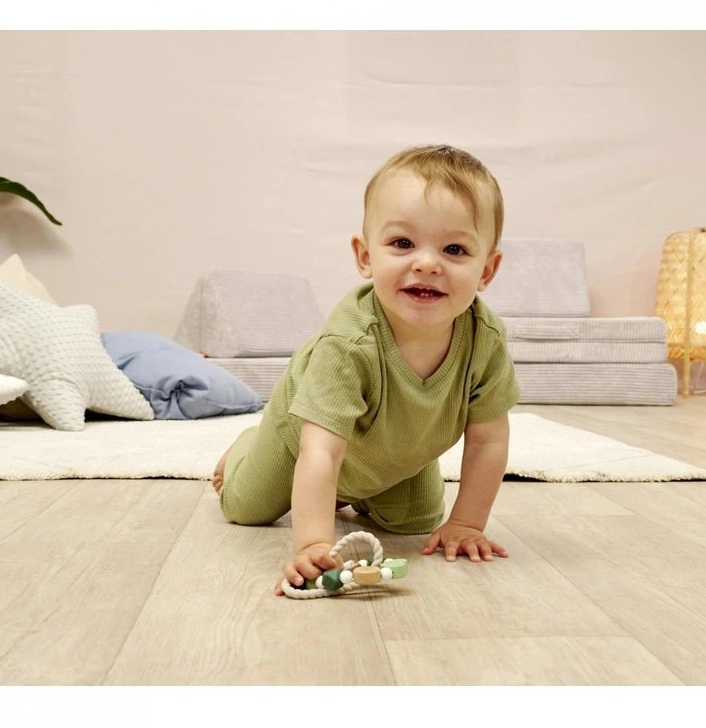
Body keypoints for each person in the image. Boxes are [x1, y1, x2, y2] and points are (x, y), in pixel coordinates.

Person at [212, 144, 520, 595]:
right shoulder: (348, 344)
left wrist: (466, 523)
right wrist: (315, 543)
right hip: (305, 439)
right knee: (245, 506)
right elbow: (322, 452)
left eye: (454, 249)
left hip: (400, 449)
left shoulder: (485, 341)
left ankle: (349, 492)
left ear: (487, 270)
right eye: (402, 243)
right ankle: (247, 446)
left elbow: (489, 439)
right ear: (365, 257)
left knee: (418, 522)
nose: (427, 263)